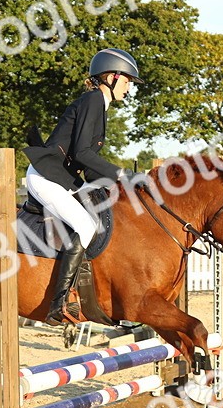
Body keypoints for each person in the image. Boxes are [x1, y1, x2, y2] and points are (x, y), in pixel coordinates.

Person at [24, 47, 143, 326]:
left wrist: (114, 185)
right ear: (111, 77)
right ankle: (59, 303)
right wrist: (122, 174)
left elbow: (86, 163)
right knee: (86, 227)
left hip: (62, 179)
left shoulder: (98, 105)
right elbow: (82, 155)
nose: (129, 88)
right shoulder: (92, 101)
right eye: (127, 81)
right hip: (46, 177)